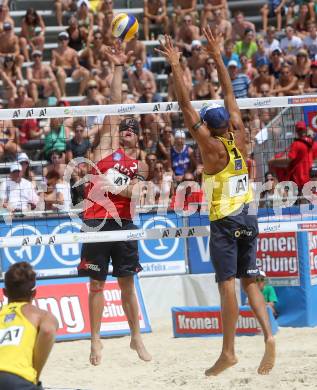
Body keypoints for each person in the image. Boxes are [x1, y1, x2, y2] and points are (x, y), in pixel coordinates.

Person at [156, 29, 275, 376]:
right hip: (250, 217)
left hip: (225, 222)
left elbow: (183, 104)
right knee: (250, 280)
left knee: (227, 287)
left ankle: (229, 351)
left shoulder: (210, 149)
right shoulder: (239, 131)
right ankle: (268, 336)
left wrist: (177, 65)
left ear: (208, 128)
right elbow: (228, 92)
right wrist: (219, 56)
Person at [76, 41, 151, 366]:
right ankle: (95, 341)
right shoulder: (107, 149)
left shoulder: (143, 165)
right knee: (96, 286)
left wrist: (118, 189)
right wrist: (119, 66)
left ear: (140, 137)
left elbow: (139, 194)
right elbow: (115, 104)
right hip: (96, 222)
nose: (127, 131)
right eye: (125, 128)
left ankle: (136, 337)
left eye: (133, 129)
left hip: (124, 225)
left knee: (127, 285)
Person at [0, 262, 58, 390]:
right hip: (17, 378)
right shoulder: (40, 315)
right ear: (34, 293)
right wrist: (35, 374)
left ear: (4, 292)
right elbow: (48, 331)